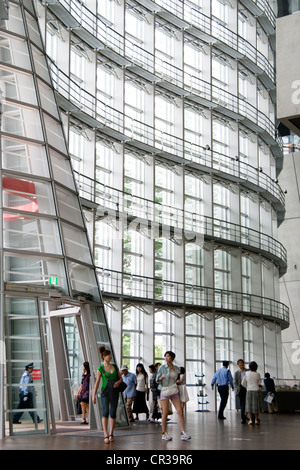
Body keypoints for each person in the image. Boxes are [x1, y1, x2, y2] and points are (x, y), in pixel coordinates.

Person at [156, 351, 191, 441]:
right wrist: (160, 378)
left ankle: (183, 433)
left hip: (174, 390)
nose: (166, 358)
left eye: (168, 356)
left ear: (172, 358)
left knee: (180, 411)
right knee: (165, 412)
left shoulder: (176, 368)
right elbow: (157, 379)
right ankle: (164, 433)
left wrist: (178, 381)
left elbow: (177, 378)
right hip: (165, 391)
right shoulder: (162, 368)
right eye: (165, 356)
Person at [92, 346, 124, 443]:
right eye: (108, 355)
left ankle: (111, 433)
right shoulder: (100, 368)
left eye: (110, 355)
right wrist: (93, 395)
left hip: (114, 391)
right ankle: (105, 434)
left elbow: (121, 378)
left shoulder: (114, 366)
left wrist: (118, 382)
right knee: (105, 412)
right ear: (104, 356)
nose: (110, 356)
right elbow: (97, 382)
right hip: (105, 392)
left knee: (113, 412)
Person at [242, 361, 263, 425]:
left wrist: (247, 387)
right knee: (256, 405)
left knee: (249, 405)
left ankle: (251, 420)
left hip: (249, 390)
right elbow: (259, 383)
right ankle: (256, 419)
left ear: (249, 367)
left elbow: (243, 383)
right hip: (256, 390)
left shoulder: (247, 373)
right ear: (256, 367)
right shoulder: (258, 374)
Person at [233, 359, 247, 423]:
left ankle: (247, 415)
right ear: (238, 365)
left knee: (248, 403)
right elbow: (235, 382)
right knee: (242, 403)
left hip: (247, 388)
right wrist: (236, 390)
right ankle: (243, 418)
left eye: (242, 363)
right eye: (239, 363)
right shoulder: (236, 373)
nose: (241, 364)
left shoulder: (248, 371)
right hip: (241, 389)